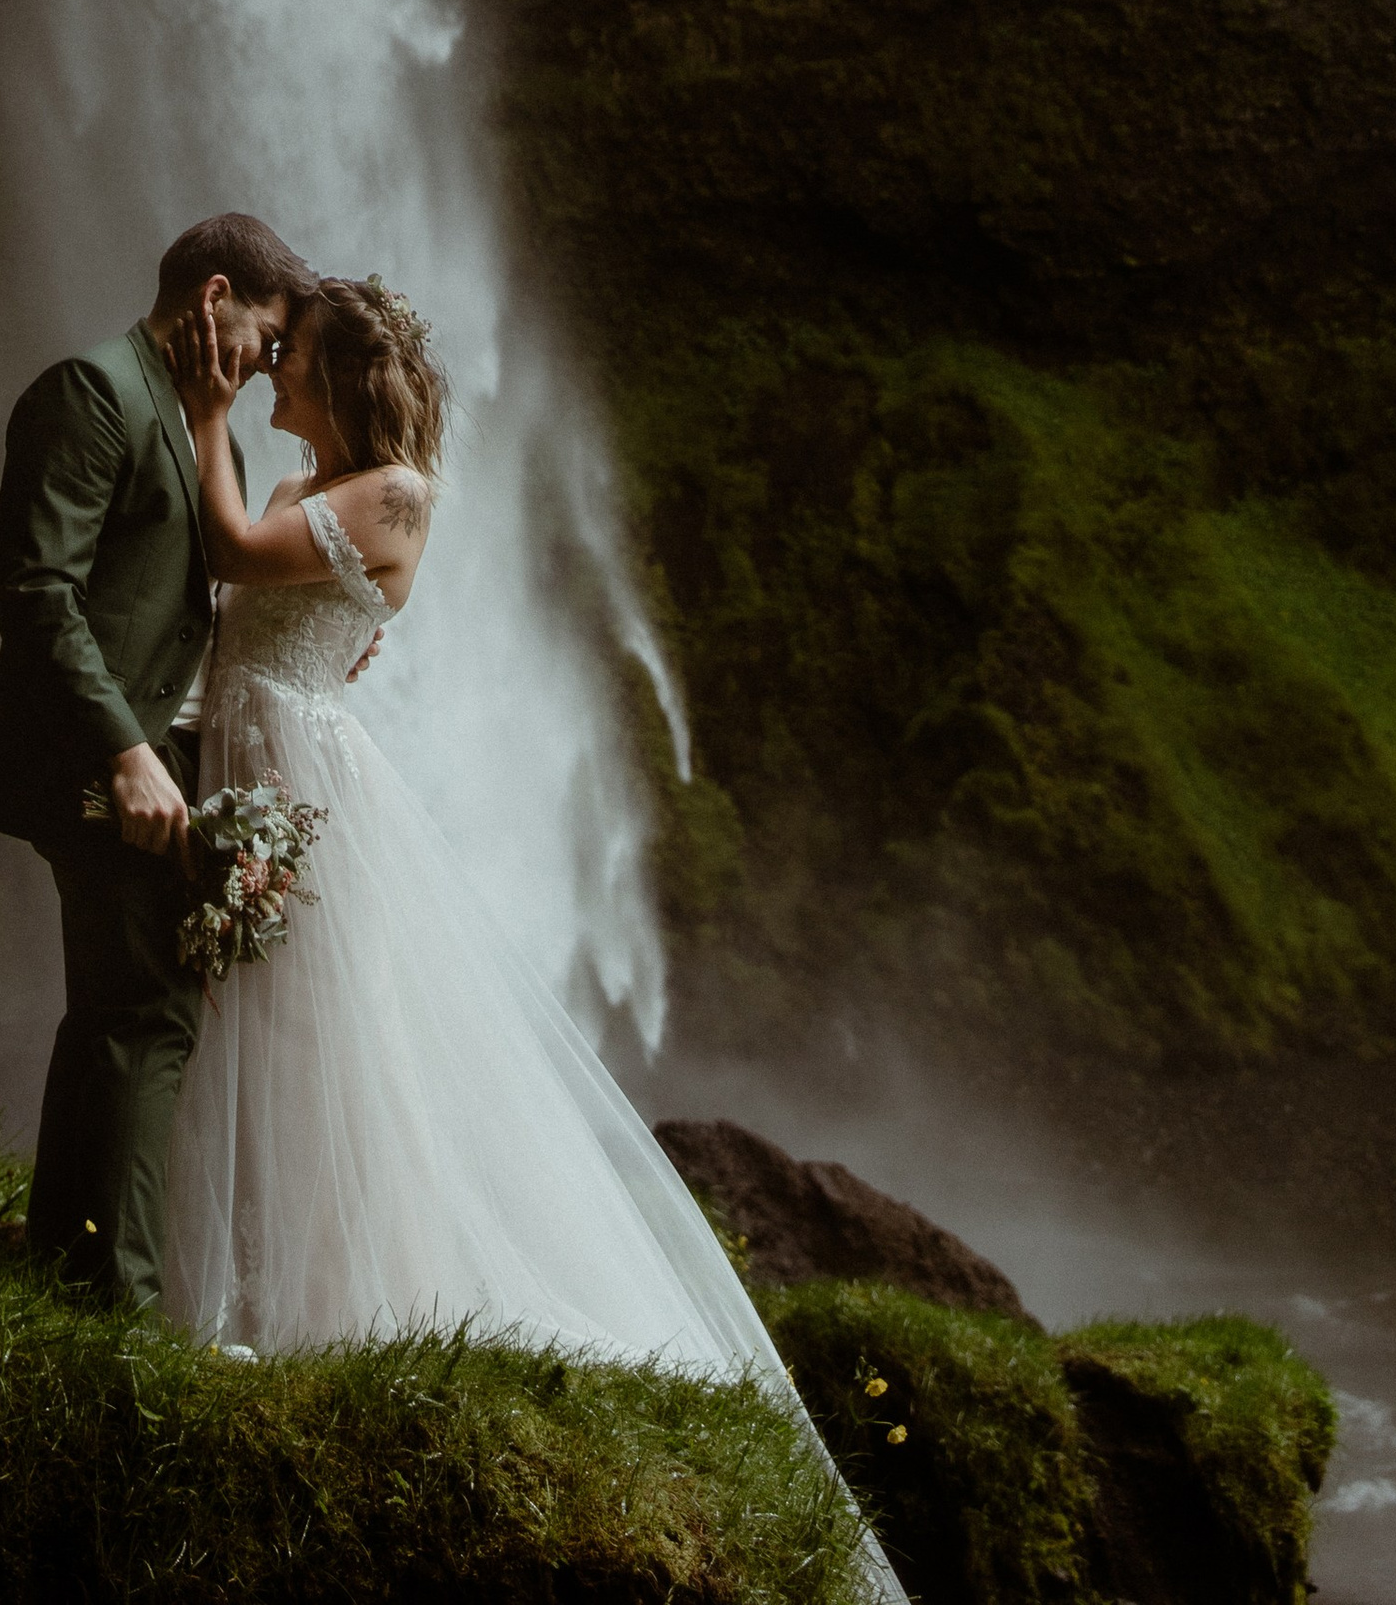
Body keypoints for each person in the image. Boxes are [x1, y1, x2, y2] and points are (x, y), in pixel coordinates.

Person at [158, 273, 907, 1604]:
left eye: (290, 360)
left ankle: (334, 1303)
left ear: (336, 378)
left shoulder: (393, 494)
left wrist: (204, 414)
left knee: (324, 1031)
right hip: (245, 762)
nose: (268, 371)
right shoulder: (301, 495)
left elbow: (228, 560)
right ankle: (260, 1287)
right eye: (262, 364)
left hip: (306, 783)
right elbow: (253, 599)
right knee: (255, 1027)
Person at [0, 207, 315, 1314]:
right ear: (213, 298)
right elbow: (36, 589)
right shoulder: (92, 392)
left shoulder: (185, 409)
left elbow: (167, 585)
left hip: (148, 748)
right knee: (147, 1015)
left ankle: (64, 1267)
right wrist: (126, 749)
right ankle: (113, 1305)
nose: (270, 369)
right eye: (267, 338)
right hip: (102, 755)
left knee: (118, 1011)